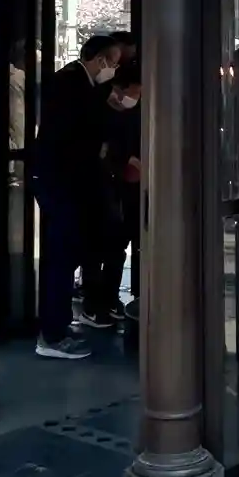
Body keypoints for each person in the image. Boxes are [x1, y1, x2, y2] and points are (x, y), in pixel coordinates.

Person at [30, 34, 121, 357]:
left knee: (66, 255)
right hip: (61, 182)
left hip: (63, 181)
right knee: (61, 256)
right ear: (99, 59)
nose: (113, 69)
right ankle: (52, 336)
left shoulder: (76, 82)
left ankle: (57, 325)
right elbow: (76, 136)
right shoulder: (71, 84)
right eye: (113, 63)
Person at [98, 60, 143, 328]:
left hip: (132, 189)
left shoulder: (136, 112)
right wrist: (126, 161)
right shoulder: (107, 112)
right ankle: (104, 300)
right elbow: (104, 152)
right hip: (115, 189)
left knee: (128, 245)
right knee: (114, 249)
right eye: (136, 90)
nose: (137, 96)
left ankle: (114, 299)